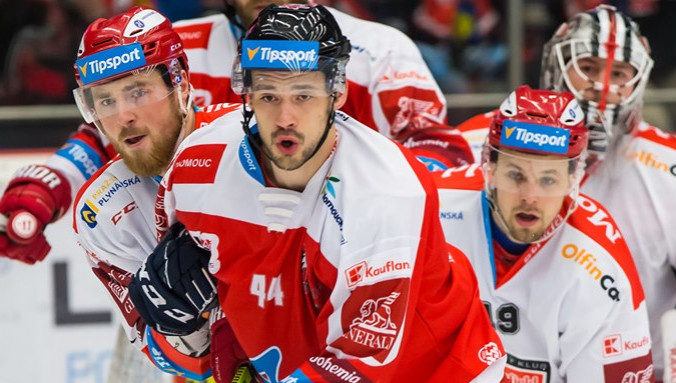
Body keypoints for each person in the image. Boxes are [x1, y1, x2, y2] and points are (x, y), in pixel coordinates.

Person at [127, 4, 510, 383]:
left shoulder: (386, 192)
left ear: (337, 92)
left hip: (436, 378)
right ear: (246, 94)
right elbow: (195, 322)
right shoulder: (196, 166)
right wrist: (186, 333)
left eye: (304, 94)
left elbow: (358, 367)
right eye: (269, 95)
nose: (286, 117)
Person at [0, 0, 473, 265]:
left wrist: (337, 216)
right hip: (197, 292)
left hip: (331, 286)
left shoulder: (378, 51)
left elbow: (440, 161)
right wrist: (41, 189)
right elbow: (103, 137)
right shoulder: (180, 46)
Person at [456, 5, 676, 383]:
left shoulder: (666, 168)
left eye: (620, 74)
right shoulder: (479, 141)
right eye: (588, 68)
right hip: (480, 369)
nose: (602, 86)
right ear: (556, 66)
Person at [70, 6, 246, 383]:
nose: (123, 117)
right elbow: (167, 356)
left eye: (137, 92)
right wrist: (178, 326)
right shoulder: (101, 209)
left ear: (180, 81)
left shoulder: (248, 139)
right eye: (105, 100)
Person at [435, 85, 654, 383]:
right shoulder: (433, 207)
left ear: (572, 179)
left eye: (548, 179)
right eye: (515, 175)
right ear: (491, 167)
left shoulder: (601, 264)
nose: (530, 196)